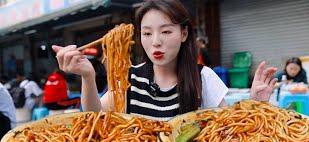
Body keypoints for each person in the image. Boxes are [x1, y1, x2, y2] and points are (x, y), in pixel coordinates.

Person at [52, 0, 277, 120]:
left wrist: (256, 104)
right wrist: (88, 77)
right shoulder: (129, 77)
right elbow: (95, 117)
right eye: (147, 33)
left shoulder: (203, 77)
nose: (156, 42)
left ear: (184, 34)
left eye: (166, 32)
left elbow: (227, 128)